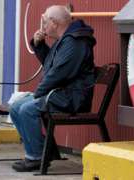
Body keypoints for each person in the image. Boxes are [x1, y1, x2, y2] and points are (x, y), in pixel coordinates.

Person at [10, 5, 96, 172]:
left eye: (45, 22)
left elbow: (57, 74)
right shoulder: (65, 39)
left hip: (73, 98)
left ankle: (36, 157)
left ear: (55, 23)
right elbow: (51, 66)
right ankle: (41, 150)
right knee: (15, 108)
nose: (43, 26)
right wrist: (39, 45)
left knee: (27, 109)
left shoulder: (75, 42)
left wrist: (38, 94)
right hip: (61, 93)